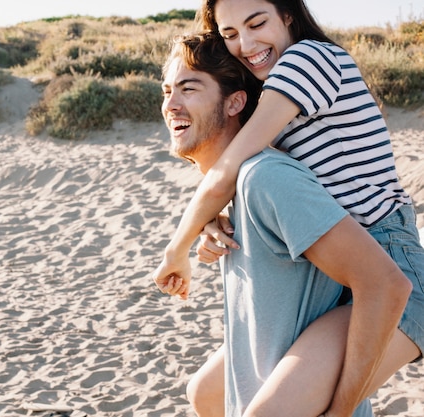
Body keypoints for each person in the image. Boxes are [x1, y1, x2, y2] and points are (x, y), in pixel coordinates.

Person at [153, 0, 424, 414]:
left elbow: (231, 164)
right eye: (229, 35)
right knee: (208, 393)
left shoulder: (307, 59)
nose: (244, 44)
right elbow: (239, 163)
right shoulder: (276, 91)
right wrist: (213, 216)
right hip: (340, 273)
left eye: (256, 23)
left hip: (392, 267)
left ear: (288, 15)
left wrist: (177, 248)